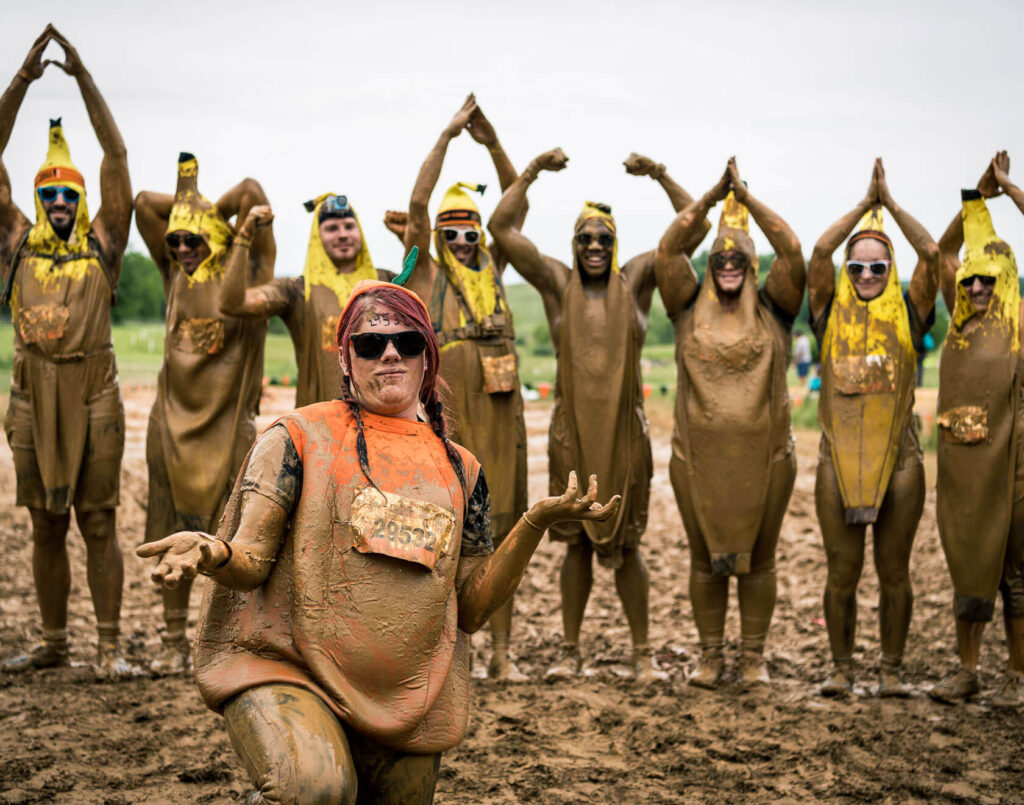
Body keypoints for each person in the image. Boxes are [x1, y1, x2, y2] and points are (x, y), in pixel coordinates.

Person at [137, 278, 618, 803]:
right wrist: (211, 550)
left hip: (408, 695)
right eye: (370, 344)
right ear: (347, 360)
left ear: (427, 359)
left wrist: (533, 525)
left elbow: (472, 610)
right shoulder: (299, 436)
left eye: (407, 342)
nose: (390, 353)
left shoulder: (462, 470)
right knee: (316, 789)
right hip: (287, 667)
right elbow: (251, 562)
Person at [488, 146, 707, 681]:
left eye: (603, 239)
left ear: (616, 244)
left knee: (628, 547)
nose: (593, 246)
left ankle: (640, 655)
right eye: (584, 238)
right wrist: (534, 172)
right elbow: (501, 227)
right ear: (573, 244)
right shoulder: (556, 284)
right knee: (575, 550)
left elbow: (693, 228)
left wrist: (659, 172)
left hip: (626, 436)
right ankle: (569, 653)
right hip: (571, 435)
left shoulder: (637, 281)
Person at [0, 27, 135, 678]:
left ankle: (108, 646)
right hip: (32, 390)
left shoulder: (103, 242)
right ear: (36, 199)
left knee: (99, 520)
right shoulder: (15, 243)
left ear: (81, 201)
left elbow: (116, 156)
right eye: (48, 192)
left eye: (68, 194)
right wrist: (22, 83)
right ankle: (54, 639)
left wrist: (83, 79)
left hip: (94, 389)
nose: (58, 201)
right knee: (44, 523)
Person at [655, 158, 805, 687]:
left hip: (768, 462)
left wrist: (745, 198)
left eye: (736, 253)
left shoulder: (776, 308)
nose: (726, 260)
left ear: (750, 260)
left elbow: (791, 249)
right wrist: (713, 199)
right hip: (696, 462)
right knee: (704, 561)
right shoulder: (685, 304)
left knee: (760, 562)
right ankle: (712, 656)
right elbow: (669, 249)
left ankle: (755, 658)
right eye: (718, 254)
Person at [401, 94, 530, 680]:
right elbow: (418, 202)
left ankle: (502, 653)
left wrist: (497, 144)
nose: (459, 238)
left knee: (500, 529)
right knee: (444, 531)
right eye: (449, 230)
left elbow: (512, 208)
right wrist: (448, 136)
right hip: (451, 421)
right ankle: (443, 649)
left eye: (468, 228)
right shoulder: (427, 272)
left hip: (503, 420)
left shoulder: (496, 269)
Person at [134, 154, 275, 675]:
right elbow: (143, 203)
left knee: (229, 540)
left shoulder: (249, 268)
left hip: (228, 426)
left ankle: (226, 643)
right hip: (171, 426)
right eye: (176, 241)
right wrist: (190, 209)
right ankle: (172, 642)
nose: (184, 249)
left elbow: (252, 188)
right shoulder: (174, 272)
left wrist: (207, 217)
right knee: (168, 527)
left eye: (193, 240)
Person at [808, 158, 939, 696]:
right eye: (856, 267)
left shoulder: (910, 312)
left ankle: (890, 671)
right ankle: (841, 668)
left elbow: (931, 253)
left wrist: (891, 208)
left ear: (892, 272)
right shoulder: (827, 311)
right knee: (841, 573)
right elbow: (818, 251)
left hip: (901, 461)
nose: (865, 276)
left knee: (894, 573)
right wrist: (864, 209)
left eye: (877, 268)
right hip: (836, 462)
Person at [930, 152, 1024, 706]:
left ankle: (1016, 677)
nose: (980, 286)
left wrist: (1009, 188)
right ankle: (967, 671)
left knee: (1016, 573)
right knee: (968, 565)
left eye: (991, 278)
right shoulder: (958, 316)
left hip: (1015, 467)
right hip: (964, 468)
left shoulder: (1018, 322)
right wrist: (975, 201)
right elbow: (942, 251)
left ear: (1008, 280)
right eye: (973, 278)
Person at [219, 193, 392, 407]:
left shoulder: (387, 283)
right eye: (331, 229)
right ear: (316, 237)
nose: (342, 235)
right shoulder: (296, 291)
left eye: (349, 226)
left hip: (382, 416)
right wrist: (244, 236)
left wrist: (410, 238)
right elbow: (232, 303)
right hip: (319, 424)